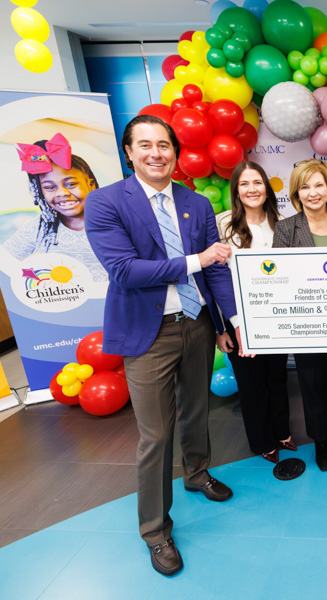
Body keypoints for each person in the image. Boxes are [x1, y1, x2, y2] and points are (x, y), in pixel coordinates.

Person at [84, 115, 238, 576]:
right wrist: (197, 258)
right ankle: (155, 530)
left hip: (195, 324)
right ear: (128, 152)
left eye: (164, 145)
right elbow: (125, 271)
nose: (157, 153)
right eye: (145, 145)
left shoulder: (195, 203)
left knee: (197, 410)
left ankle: (197, 473)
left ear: (175, 152)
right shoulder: (105, 202)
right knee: (155, 435)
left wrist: (228, 320)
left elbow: (214, 272)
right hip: (146, 333)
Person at [272, 158, 327, 472]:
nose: (313, 192)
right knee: (311, 383)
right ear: (296, 192)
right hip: (305, 323)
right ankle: (321, 440)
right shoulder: (286, 228)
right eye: (305, 186)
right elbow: (280, 277)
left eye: (318, 184)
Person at [215, 161, 295, 465]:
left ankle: (283, 433)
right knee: (251, 384)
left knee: (277, 377)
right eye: (244, 184)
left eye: (258, 182)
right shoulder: (222, 224)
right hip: (238, 319)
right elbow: (215, 279)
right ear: (236, 189)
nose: (252, 189)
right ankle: (263, 441)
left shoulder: (284, 223)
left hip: (276, 317)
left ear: (267, 187)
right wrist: (230, 326)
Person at [7, 133, 107, 281]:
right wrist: (34, 279)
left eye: (70, 184)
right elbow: (5, 261)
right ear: (41, 193)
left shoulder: (113, 222)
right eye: (49, 187)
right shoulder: (39, 228)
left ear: (91, 185)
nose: (62, 193)